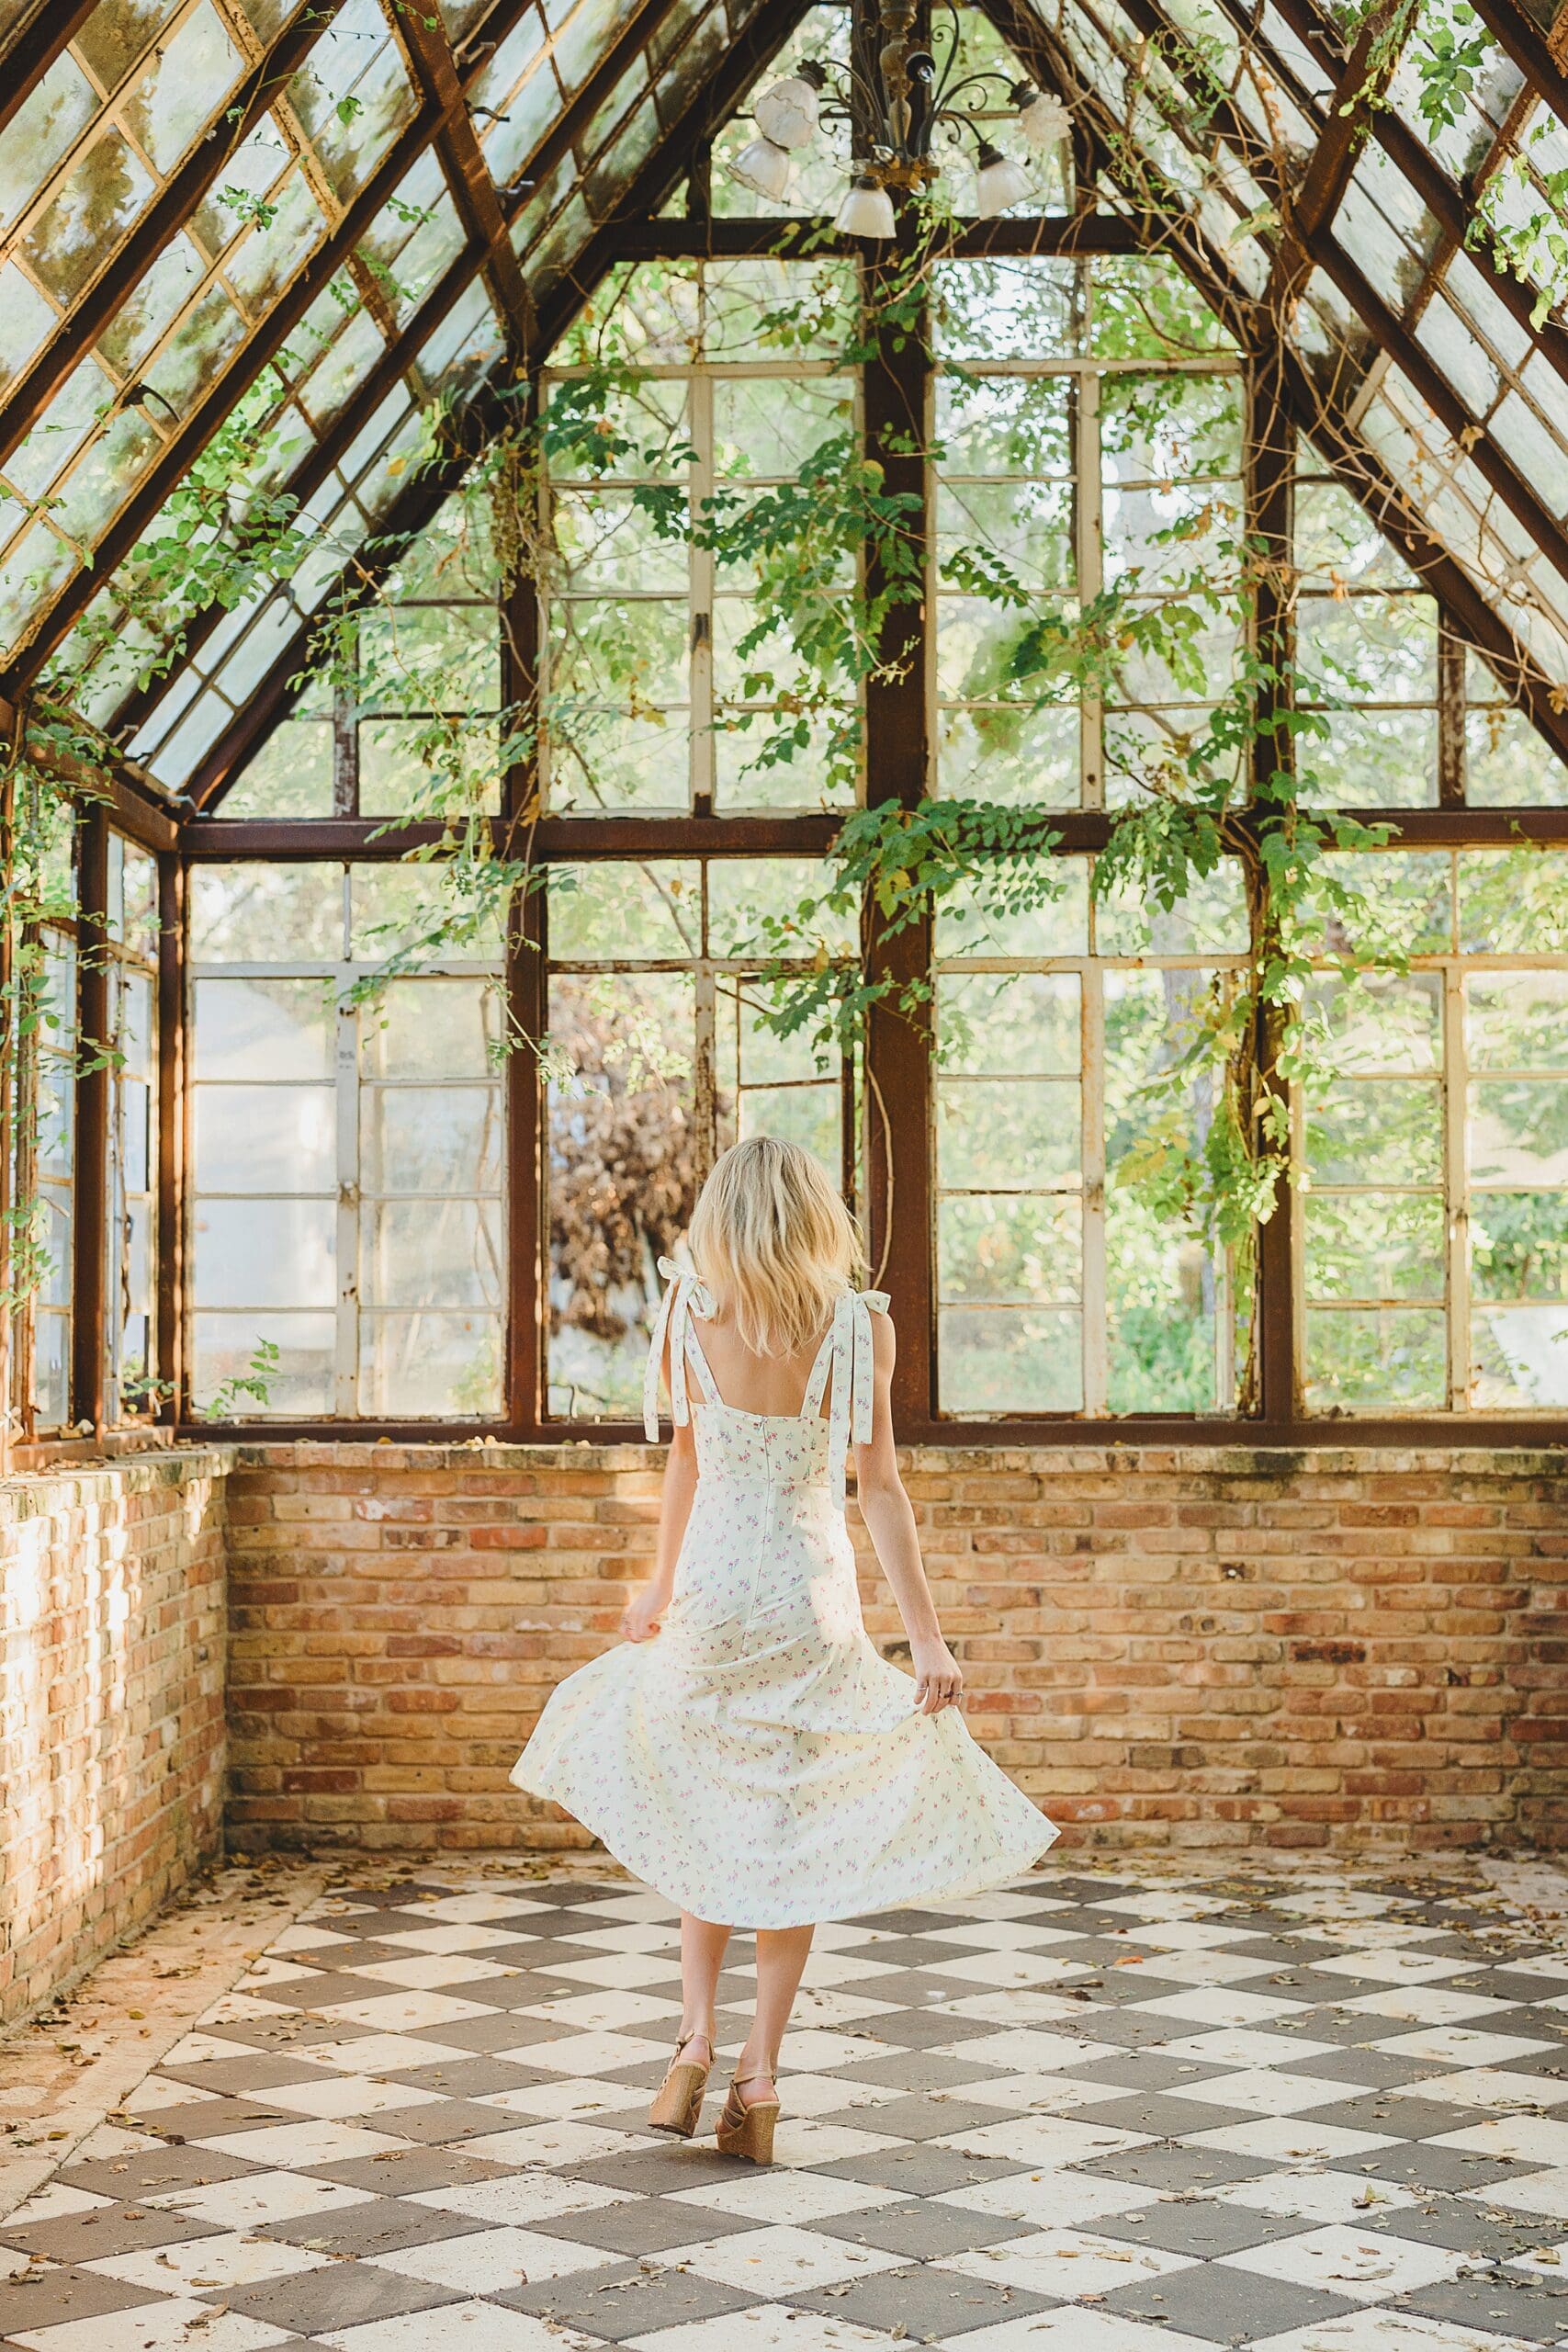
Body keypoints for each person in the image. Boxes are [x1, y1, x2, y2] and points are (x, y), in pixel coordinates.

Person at [512, 1136, 1055, 2163]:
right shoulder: (859, 1328)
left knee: (709, 1818)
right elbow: (880, 1491)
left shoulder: (689, 1312)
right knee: (786, 1842)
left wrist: (660, 1586)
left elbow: (681, 1460)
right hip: (810, 1602)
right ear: (814, 1215)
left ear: (723, 1214)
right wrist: (928, 1640)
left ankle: (692, 2037)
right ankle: (759, 2076)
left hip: (715, 1594)